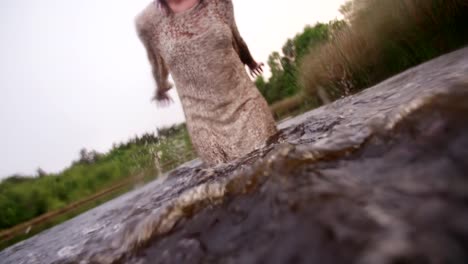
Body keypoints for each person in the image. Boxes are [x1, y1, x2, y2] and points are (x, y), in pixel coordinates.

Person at [136, 0, 277, 166]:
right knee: (223, 179)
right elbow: (155, 61)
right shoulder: (147, 22)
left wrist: (250, 62)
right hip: (202, 120)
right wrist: (160, 87)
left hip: (245, 102)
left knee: (272, 162)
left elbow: (235, 37)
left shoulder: (219, 2)